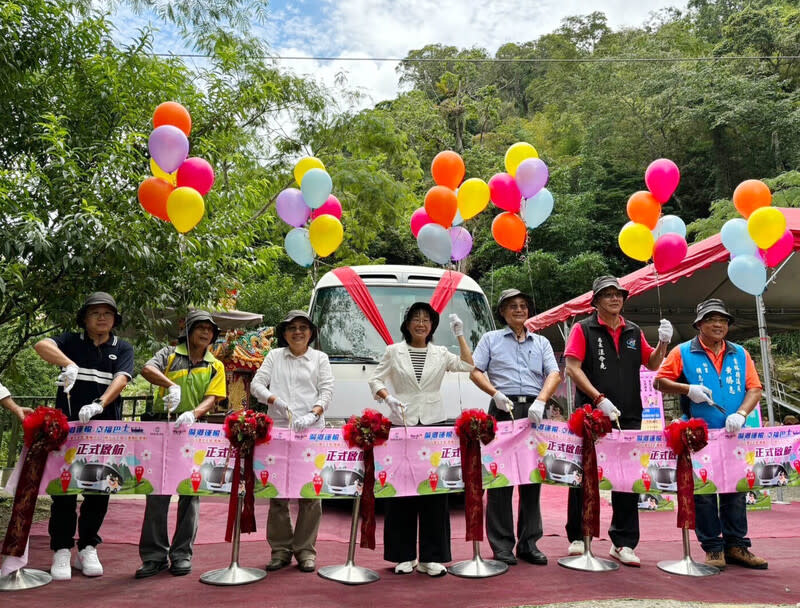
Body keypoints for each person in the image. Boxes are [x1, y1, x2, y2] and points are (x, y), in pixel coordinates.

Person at [563, 276, 671, 566]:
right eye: (607, 295)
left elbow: (653, 364)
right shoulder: (583, 328)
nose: (614, 299)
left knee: (626, 478)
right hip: (591, 413)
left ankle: (623, 542)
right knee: (583, 475)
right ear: (596, 301)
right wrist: (598, 398)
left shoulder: (634, 331)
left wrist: (663, 342)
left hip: (629, 414)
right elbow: (572, 368)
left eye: (618, 294)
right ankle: (577, 535)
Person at [654, 298, 767, 570]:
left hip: (733, 435)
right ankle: (713, 548)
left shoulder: (740, 353)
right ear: (699, 324)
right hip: (698, 435)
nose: (718, 324)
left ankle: (737, 545)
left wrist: (741, 414)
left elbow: (754, 388)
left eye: (723, 320)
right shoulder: (683, 351)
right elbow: (659, 381)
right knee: (704, 493)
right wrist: (687, 389)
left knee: (735, 490)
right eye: (711, 319)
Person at [33, 292, 134, 581]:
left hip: (104, 432)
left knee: (100, 490)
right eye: (95, 313)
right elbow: (41, 344)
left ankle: (88, 546)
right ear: (84, 318)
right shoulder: (70, 341)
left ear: (115, 319)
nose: (102, 318)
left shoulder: (122, 347)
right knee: (63, 491)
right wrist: (69, 365)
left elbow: (122, 379)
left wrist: (101, 403)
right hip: (66, 430)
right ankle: (61, 549)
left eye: (108, 313)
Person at [368, 303, 472, 577]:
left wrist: (460, 334)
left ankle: (432, 557)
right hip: (401, 425)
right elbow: (375, 380)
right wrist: (387, 397)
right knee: (402, 490)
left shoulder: (441, 353)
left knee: (434, 491)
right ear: (407, 324)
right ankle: (402, 555)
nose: (421, 323)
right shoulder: (394, 351)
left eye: (426, 319)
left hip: (433, 426)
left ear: (433, 326)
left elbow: (468, 365)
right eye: (416, 319)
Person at [469, 288, 561, 566]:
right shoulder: (490, 339)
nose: (519, 310)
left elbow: (554, 373)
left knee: (532, 478)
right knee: (500, 479)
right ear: (502, 312)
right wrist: (494, 393)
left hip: (533, 410)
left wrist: (542, 400)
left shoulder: (542, 342)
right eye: (512, 306)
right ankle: (502, 546)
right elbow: (475, 370)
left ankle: (529, 543)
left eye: (523, 305)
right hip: (502, 408)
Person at [135, 310, 226, 579]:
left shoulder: (214, 365)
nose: (205, 333)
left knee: (190, 493)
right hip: (162, 428)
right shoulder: (169, 354)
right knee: (157, 493)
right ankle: (153, 556)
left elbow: (214, 396)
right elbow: (147, 369)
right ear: (188, 330)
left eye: (210, 330)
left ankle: (182, 554)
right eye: (200, 328)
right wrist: (170, 386)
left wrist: (194, 413)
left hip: (194, 432)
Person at [250, 310, 334, 574]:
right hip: (278, 430)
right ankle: (280, 550)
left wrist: (314, 413)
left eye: (303, 327)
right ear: (284, 334)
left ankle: (306, 551)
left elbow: (327, 389)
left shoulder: (320, 358)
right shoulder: (275, 356)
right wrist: (275, 400)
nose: (297, 332)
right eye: (291, 328)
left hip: (310, 432)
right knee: (277, 493)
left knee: (311, 493)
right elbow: (256, 385)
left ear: (311, 333)